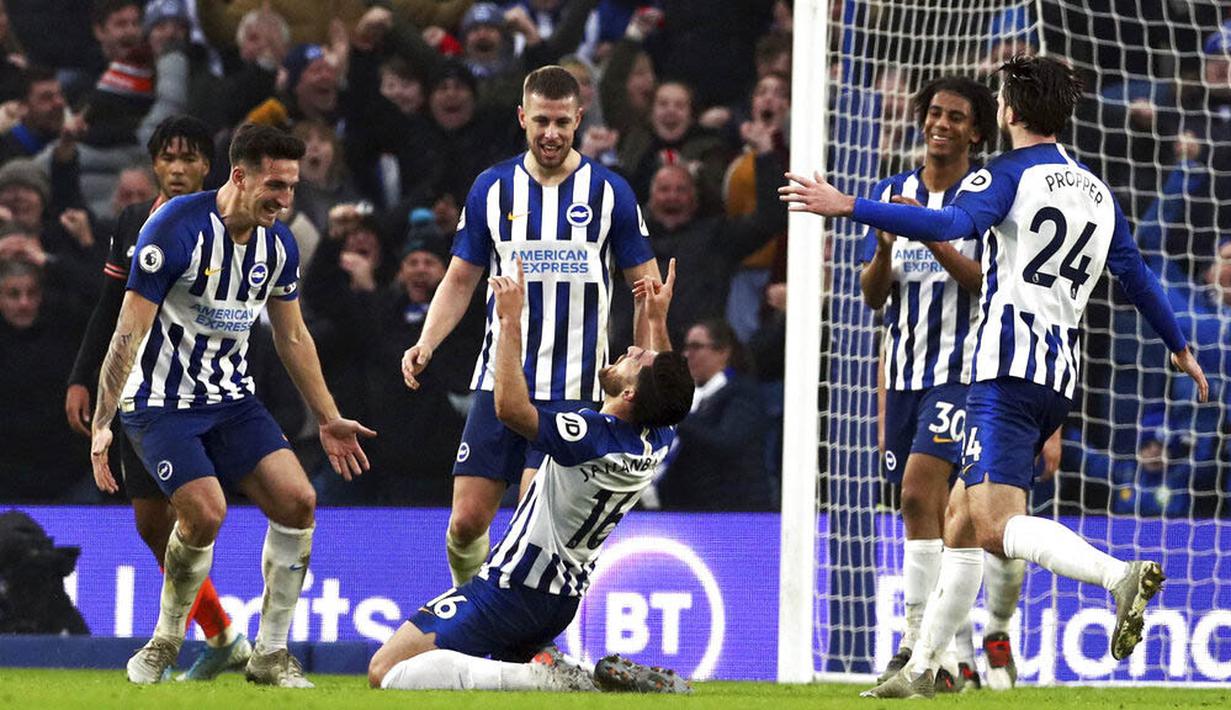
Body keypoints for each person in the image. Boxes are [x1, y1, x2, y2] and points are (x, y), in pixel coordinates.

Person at [780, 55, 1208, 698]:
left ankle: (1117, 576)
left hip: (1002, 372)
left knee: (992, 527)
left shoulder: (1005, 175)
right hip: (1056, 376)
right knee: (958, 519)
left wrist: (850, 206)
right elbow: (1138, 277)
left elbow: (951, 223)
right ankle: (923, 668)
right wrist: (1179, 347)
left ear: (1007, 110)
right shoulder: (1096, 191)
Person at [88, 123, 375, 687]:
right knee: (205, 511)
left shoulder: (279, 245)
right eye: (275, 186)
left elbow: (293, 337)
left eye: (291, 187)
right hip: (160, 401)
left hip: (231, 400)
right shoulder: (174, 228)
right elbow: (128, 331)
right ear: (239, 176)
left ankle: (270, 654)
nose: (284, 199)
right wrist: (103, 421)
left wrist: (328, 417)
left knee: (299, 501)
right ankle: (166, 640)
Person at [370, 257, 693, 693]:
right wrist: (656, 320)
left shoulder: (590, 436)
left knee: (386, 671)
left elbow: (510, 410)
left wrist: (509, 324)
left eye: (637, 359)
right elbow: (669, 395)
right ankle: (566, 673)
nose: (631, 350)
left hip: (513, 589)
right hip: (559, 600)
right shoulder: (656, 441)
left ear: (632, 392)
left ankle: (545, 676)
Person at [401, 65, 661, 588]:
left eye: (562, 122)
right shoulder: (492, 188)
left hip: (575, 393)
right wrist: (426, 341)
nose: (551, 134)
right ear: (523, 117)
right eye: (542, 121)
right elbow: (460, 278)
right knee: (465, 523)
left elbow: (648, 291)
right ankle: (469, 608)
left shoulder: (611, 193)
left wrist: (644, 376)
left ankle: (520, 629)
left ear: (579, 119)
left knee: (533, 529)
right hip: (501, 382)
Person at [859, 75, 1035, 690]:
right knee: (950, 518)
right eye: (934, 112)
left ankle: (915, 646)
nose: (941, 123)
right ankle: (952, 658)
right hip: (904, 376)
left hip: (965, 376)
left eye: (956, 117)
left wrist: (929, 235)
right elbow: (874, 296)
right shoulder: (893, 192)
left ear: (977, 132)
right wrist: (886, 250)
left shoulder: (986, 196)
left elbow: (987, 281)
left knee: (922, 497)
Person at [64, 115, 254, 681]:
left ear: (209, 167)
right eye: (168, 157)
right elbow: (111, 307)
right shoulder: (132, 222)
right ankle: (221, 636)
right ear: (153, 164)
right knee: (152, 525)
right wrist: (82, 377)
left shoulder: (227, 227)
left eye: (189, 157)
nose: (177, 168)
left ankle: (183, 640)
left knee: (195, 513)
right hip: (140, 394)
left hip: (203, 396)